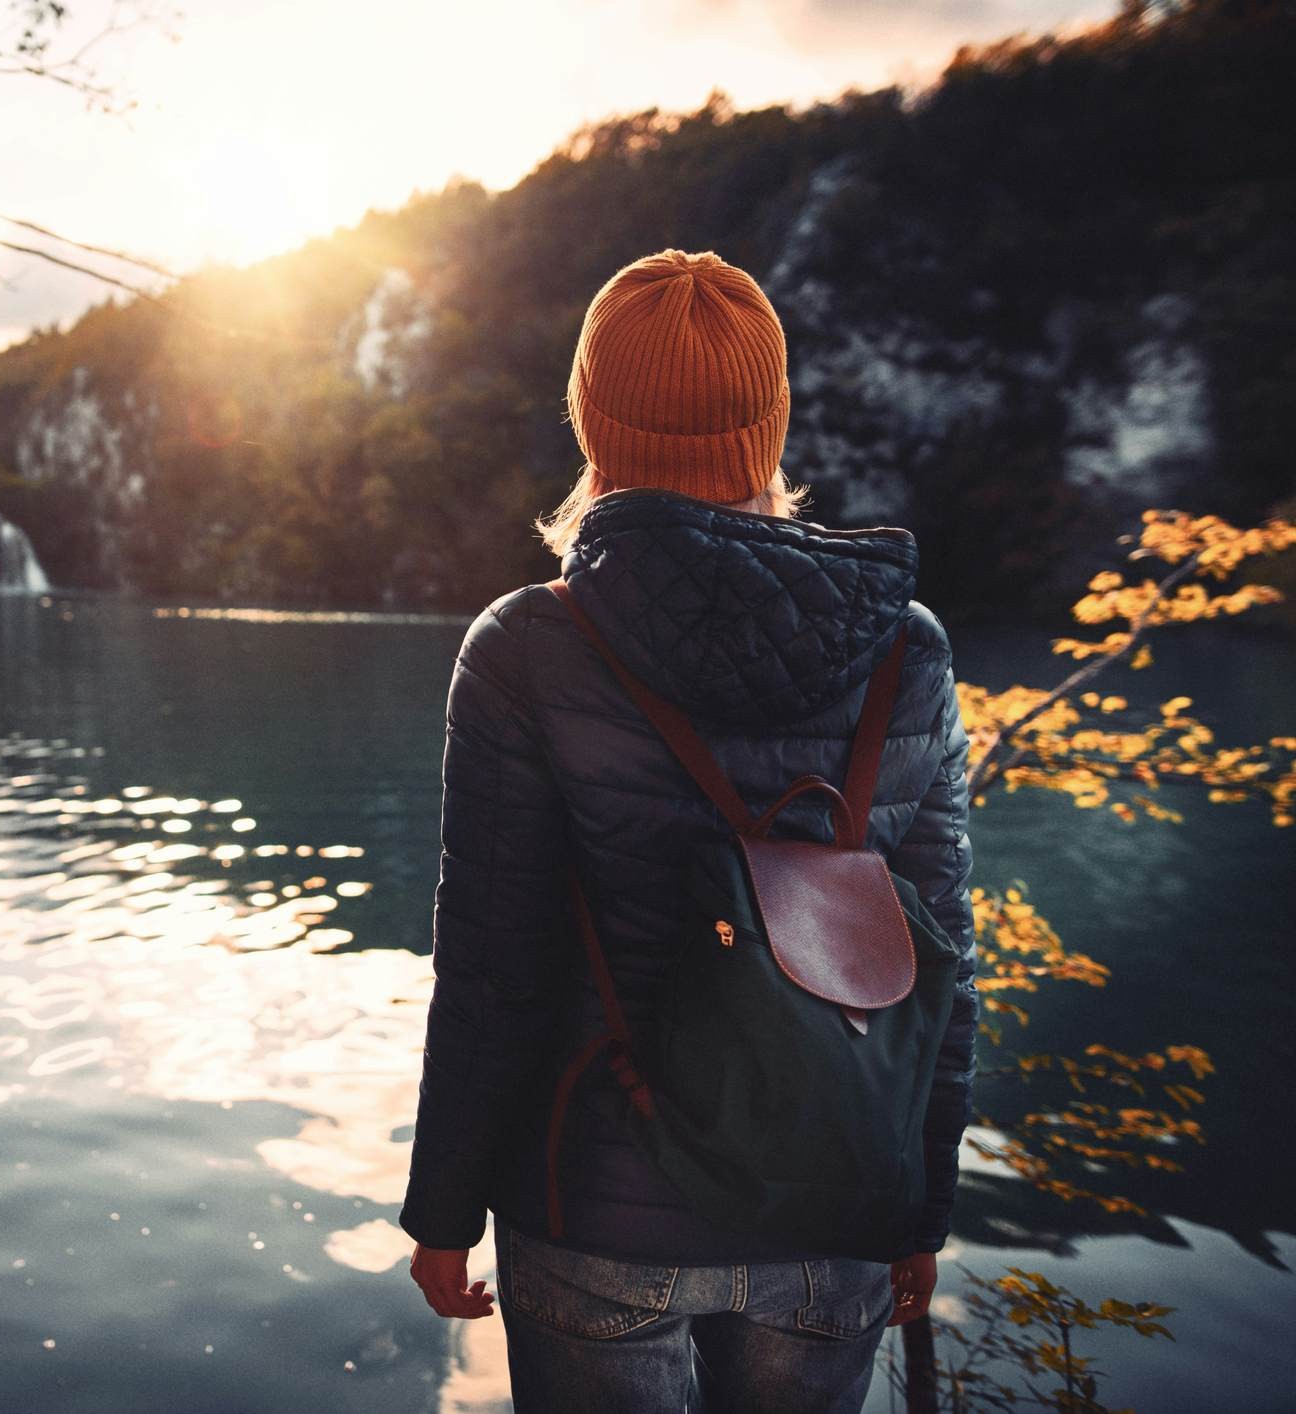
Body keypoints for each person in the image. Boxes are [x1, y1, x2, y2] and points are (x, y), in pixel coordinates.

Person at [396, 249, 979, 1413]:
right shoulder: (904, 649)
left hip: (594, 1212)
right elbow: (941, 965)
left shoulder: (523, 649)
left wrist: (444, 1211)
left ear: (590, 419)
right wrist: (919, 1207)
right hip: (833, 1206)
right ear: (768, 425)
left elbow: (492, 973)